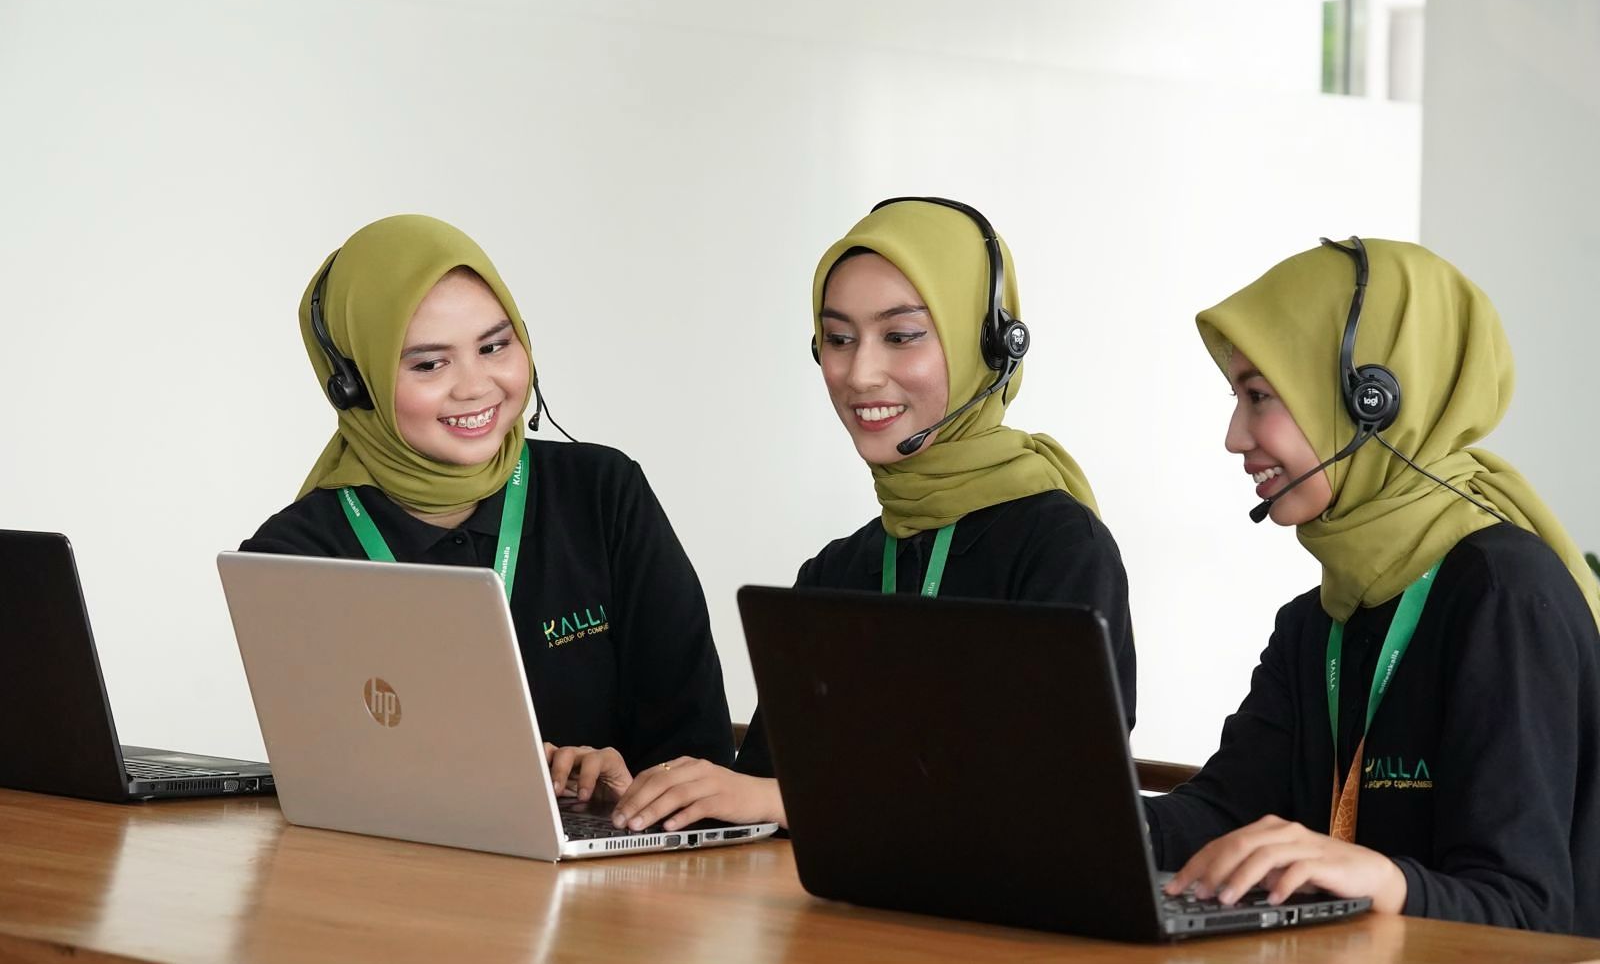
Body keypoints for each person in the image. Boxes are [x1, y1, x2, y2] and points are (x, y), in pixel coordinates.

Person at [606, 196, 1137, 833]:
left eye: (901, 337)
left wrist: (793, 801)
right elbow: (758, 793)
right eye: (838, 339)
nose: (860, 374)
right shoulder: (834, 574)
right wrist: (635, 790)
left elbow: (1057, 798)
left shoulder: (1059, 547)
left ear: (989, 346)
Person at [1147, 237, 1600, 935]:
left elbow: (1527, 910)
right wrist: (1065, 816)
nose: (1235, 436)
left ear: (1373, 402)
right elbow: (1221, 813)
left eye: (1259, 396)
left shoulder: (1503, 596)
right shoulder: (1318, 619)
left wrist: (1384, 878)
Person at [241, 214, 734, 794]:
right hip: (402, 849)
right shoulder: (292, 559)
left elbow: (699, 749)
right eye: (429, 363)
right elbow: (326, 777)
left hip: (615, 846)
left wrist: (624, 790)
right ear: (353, 384)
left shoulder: (604, 493)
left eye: (494, 346)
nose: (476, 386)